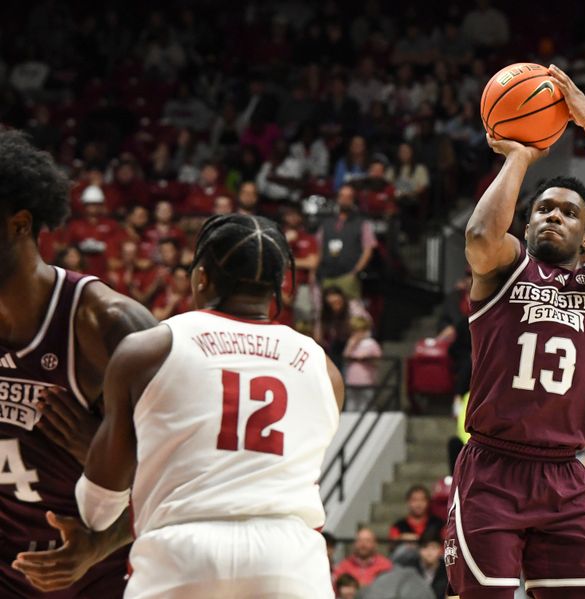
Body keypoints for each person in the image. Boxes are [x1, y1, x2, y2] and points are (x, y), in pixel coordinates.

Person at [62, 214, 344, 597]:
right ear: (282, 286)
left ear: (200, 278)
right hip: (290, 563)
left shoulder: (148, 350)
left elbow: (99, 511)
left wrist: (91, 454)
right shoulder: (325, 370)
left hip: (181, 555)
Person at [448, 65, 585, 599]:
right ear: (527, 224)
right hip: (493, 467)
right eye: (543, 209)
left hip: (564, 474)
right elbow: (481, 232)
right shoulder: (504, 266)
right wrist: (519, 156)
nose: (553, 216)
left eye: (569, 212)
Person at [0, 131, 158, 596]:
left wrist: (98, 542)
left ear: (19, 224)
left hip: (102, 571)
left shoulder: (106, 324)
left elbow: (190, 472)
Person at [317, 184, 377, 300]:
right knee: (325, 313)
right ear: (337, 198)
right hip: (326, 276)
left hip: (348, 277)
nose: (345, 199)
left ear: (353, 200)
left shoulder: (362, 223)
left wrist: (354, 273)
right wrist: (316, 273)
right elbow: (318, 248)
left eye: (349, 197)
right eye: (342, 196)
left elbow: (368, 250)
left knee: (350, 313)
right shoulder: (326, 222)